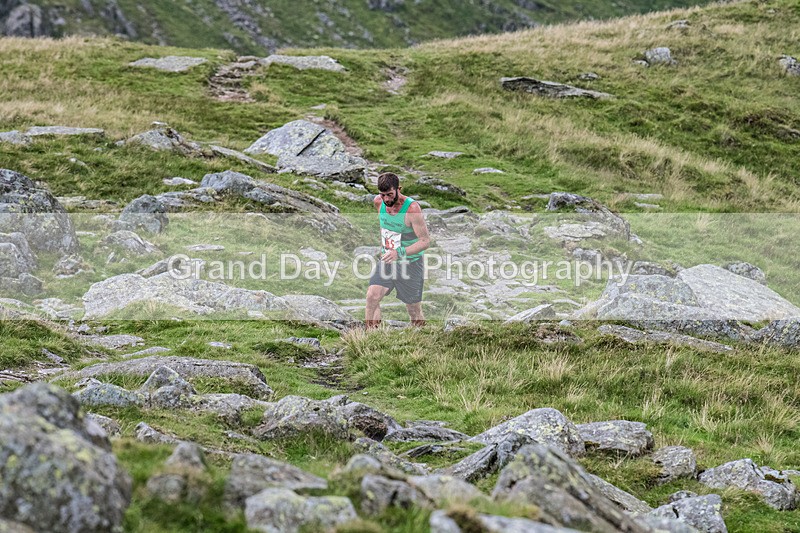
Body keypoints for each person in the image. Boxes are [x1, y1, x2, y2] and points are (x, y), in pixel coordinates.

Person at [365, 172, 431, 329]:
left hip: (411, 264)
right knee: (372, 296)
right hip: (387, 260)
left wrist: (399, 252)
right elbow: (386, 227)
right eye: (383, 195)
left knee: (413, 310)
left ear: (398, 189)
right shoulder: (378, 203)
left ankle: (421, 336)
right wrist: (386, 248)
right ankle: (368, 336)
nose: (386, 199)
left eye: (389, 194)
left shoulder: (412, 209)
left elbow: (425, 241)